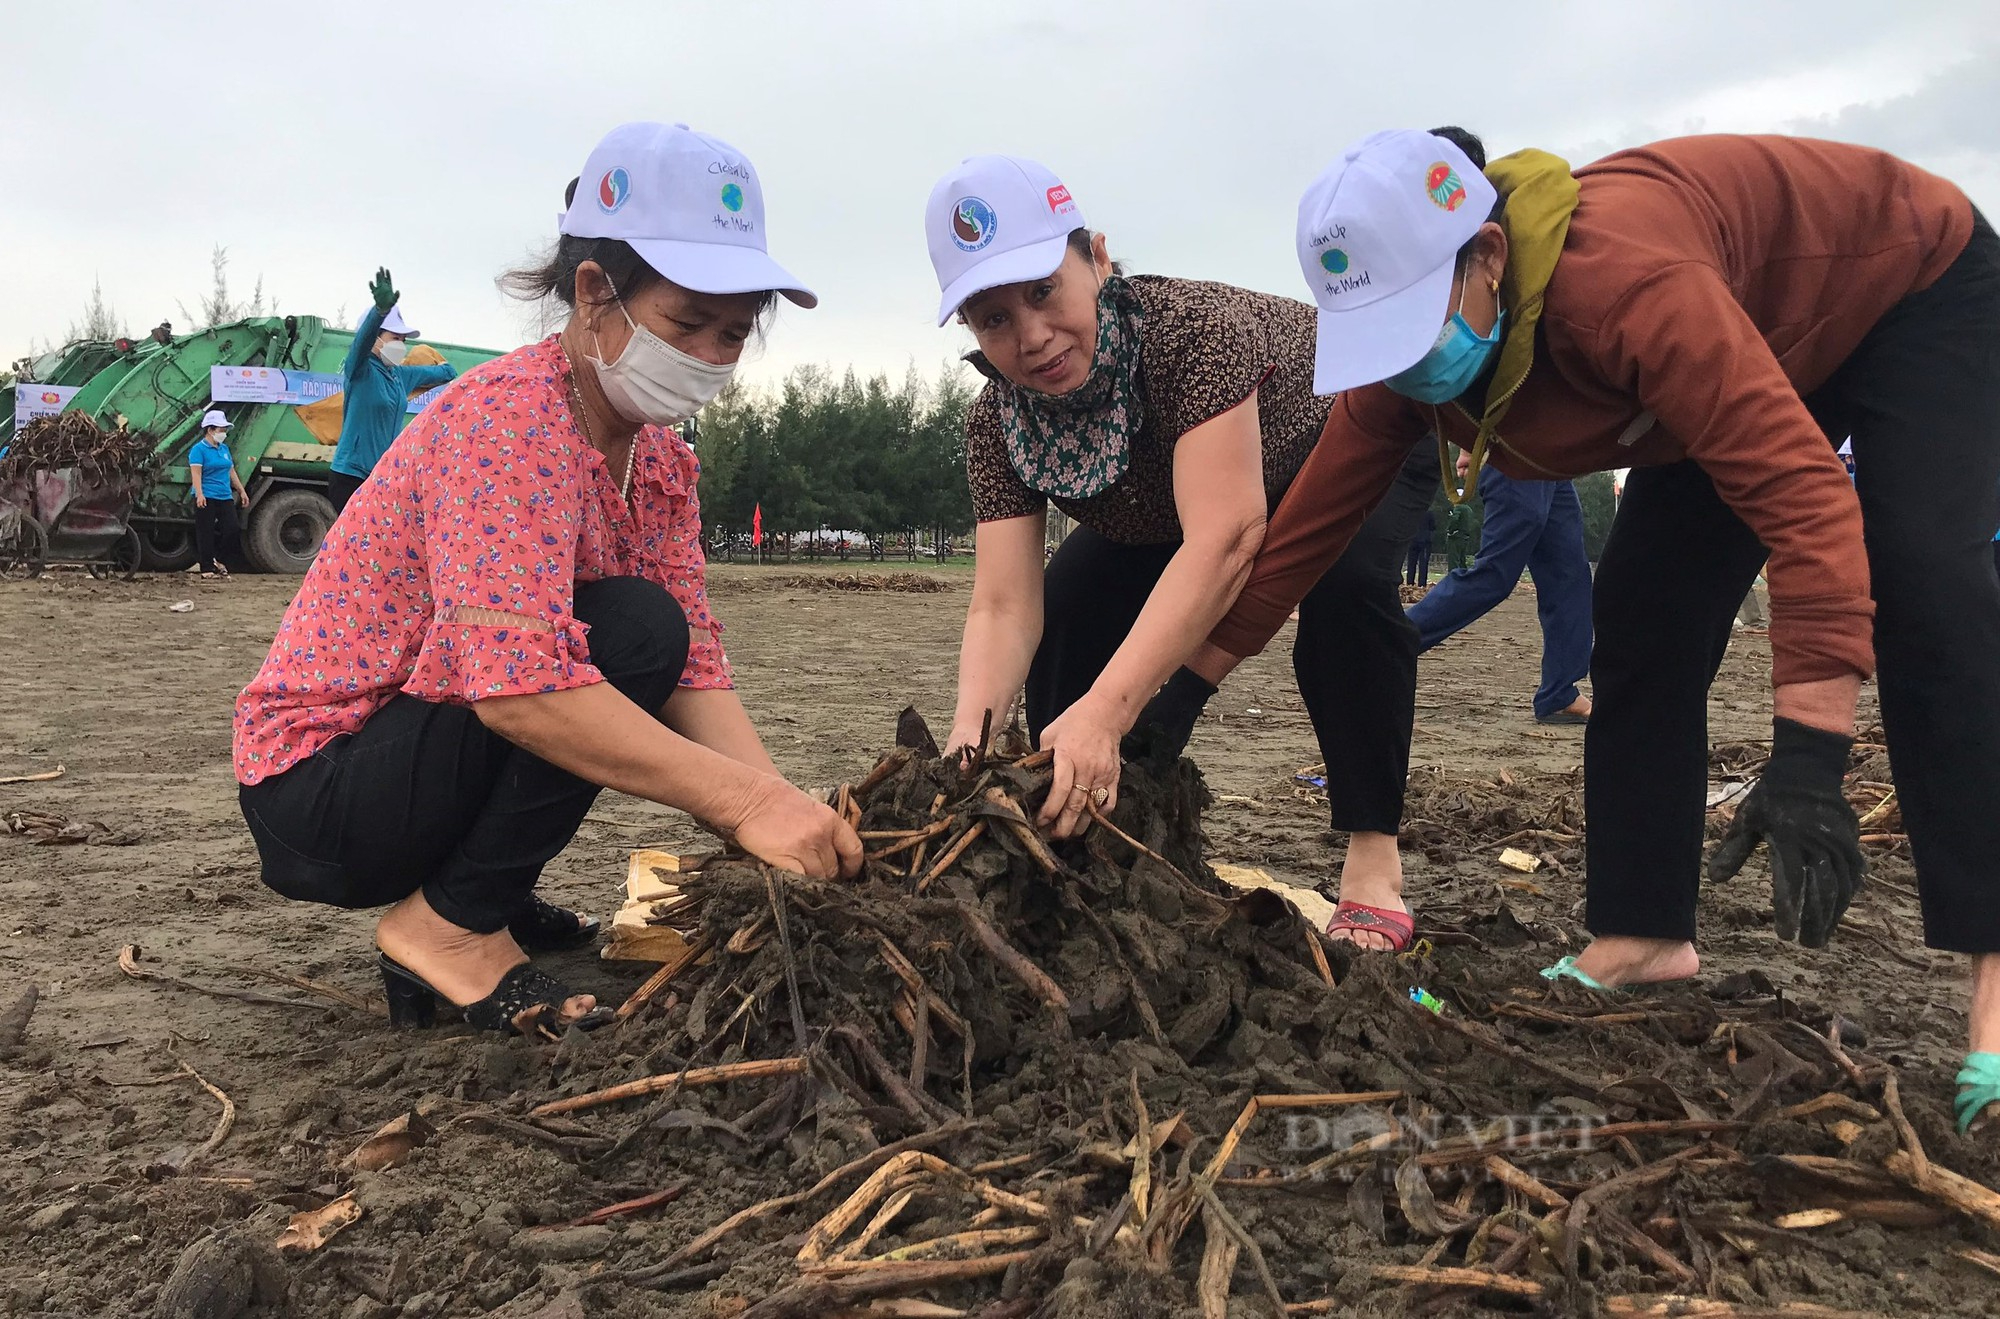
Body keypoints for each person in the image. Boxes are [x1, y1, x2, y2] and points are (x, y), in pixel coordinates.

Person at [1182, 127, 1998, 1131]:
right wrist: (1179, 692)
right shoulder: (1409, 370)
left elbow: (1808, 506)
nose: (1399, 362)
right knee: (1644, 615)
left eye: (1410, 324)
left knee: (1927, 582)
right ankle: (1642, 930)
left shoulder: (1620, 290)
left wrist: (1807, 756)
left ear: (1486, 256)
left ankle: (1995, 990)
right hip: (1742, 324)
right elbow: (1297, 542)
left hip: (1906, 285)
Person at [234, 122, 860, 1040]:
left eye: (732, 336)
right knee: (625, 632)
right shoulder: (508, 422)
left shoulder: (658, 466)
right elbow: (518, 692)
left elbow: (694, 673)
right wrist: (743, 803)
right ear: (595, 292)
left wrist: (780, 819)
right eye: (687, 325)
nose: (709, 360)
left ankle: (475, 895)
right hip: (321, 787)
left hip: (416, 754)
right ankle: (446, 928)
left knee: (650, 637)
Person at [926, 153, 1438, 949]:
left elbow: (1228, 537)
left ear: (1095, 257)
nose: (1032, 336)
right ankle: (1079, 824)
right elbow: (1003, 604)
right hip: (1170, 503)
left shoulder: (1189, 335)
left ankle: (1374, 862)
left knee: (1348, 591)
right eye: (993, 319)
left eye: (1042, 291)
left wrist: (1112, 706)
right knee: (1067, 609)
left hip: (1346, 433)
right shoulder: (996, 423)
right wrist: (965, 752)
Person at [1408, 446, 1594, 725]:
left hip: (1553, 460)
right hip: (1514, 448)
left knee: (1568, 575)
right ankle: (1383, 644)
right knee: (1494, 574)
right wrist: (1470, 443)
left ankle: (1560, 693)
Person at [327, 273, 460, 514]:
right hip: (349, 476)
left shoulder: (401, 375)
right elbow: (361, 342)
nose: (400, 344)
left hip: (381, 476)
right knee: (353, 546)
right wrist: (379, 312)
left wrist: (425, 351)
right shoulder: (360, 369)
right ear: (376, 339)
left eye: (403, 339)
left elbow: (449, 372)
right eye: (394, 337)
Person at [186, 409, 250, 579]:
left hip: (225, 495)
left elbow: (231, 470)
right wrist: (199, 494)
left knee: (232, 529)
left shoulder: (224, 449)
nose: (224, 433)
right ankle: (206, 568)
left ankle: (218, 559)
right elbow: (196, 473)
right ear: (210, 430)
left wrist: (241, 490)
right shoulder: (198, 450)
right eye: (221, 429)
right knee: (205, 531)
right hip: (206, 495)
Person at [1404, 508, 1434, 587]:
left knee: (1411, 563)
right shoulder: (1429, 513)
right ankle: (1422, 584)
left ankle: (1410, 582)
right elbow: (1433, 526)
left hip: (1412, 539)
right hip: (1425, 541)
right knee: (1423, 563)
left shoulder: (1412, 512)